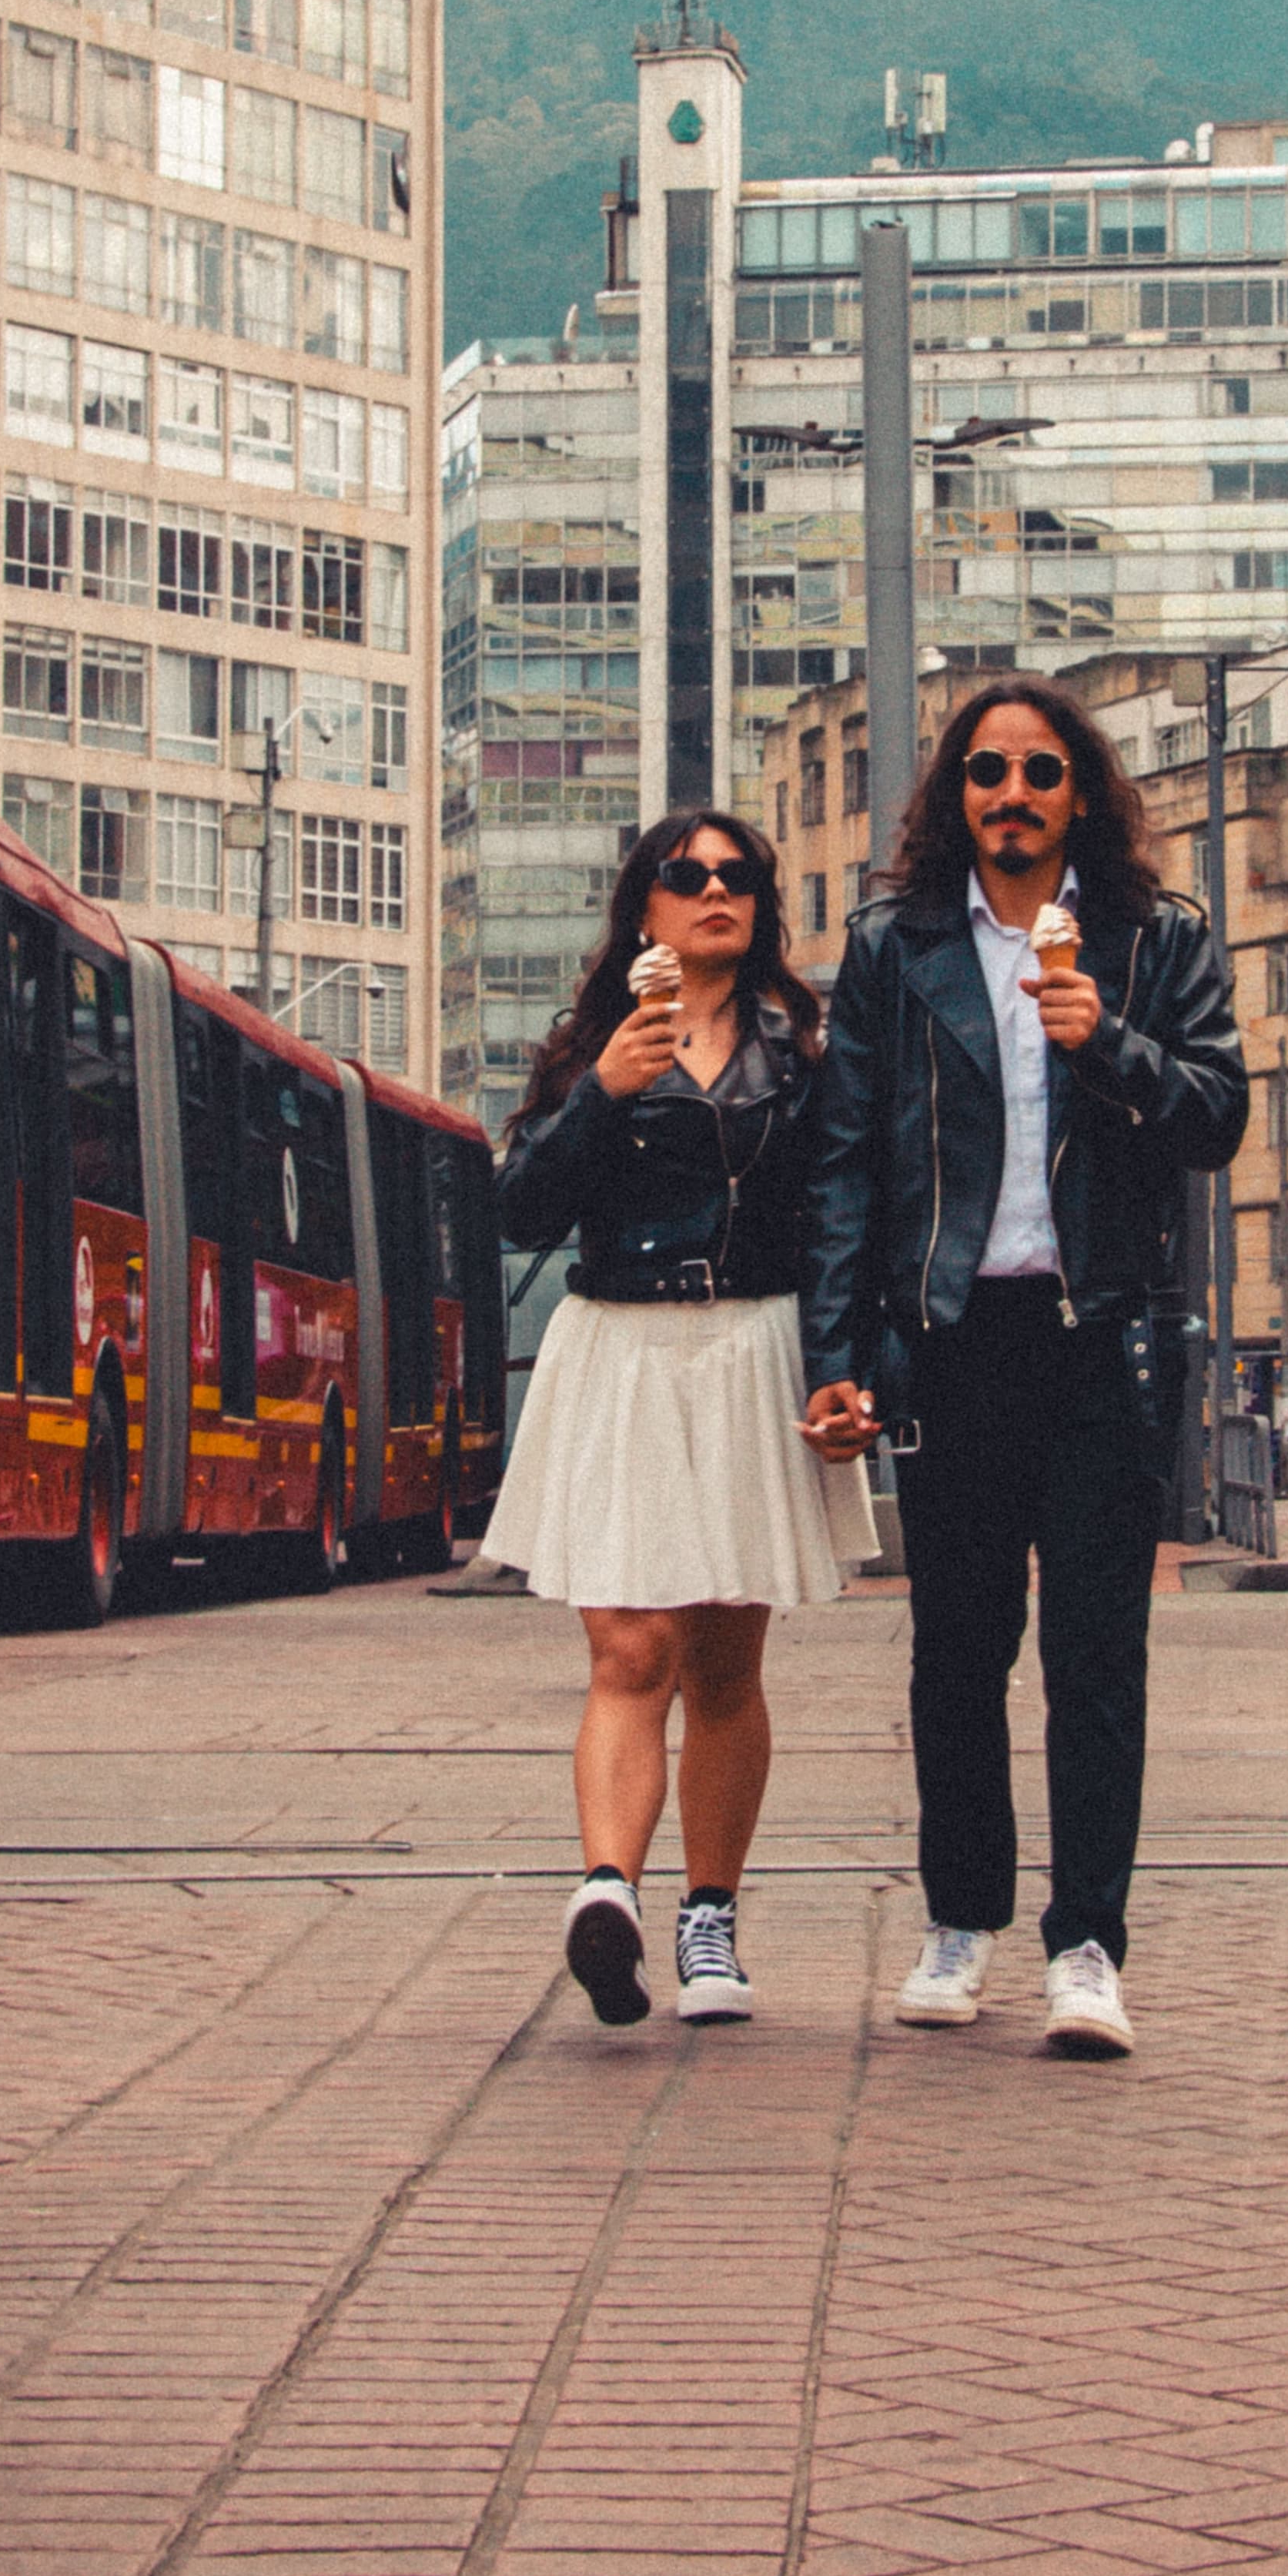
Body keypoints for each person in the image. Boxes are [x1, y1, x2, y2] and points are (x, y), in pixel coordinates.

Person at [801, 682, 1247, 2056]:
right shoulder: (897, 948)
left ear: (1080, 793)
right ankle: (959, 1923)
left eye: (1041, 772)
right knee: (957, 1653)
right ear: (957, 795)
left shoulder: (1157, 941)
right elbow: (847, 1161)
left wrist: (1103, 1038)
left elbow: (1219, 1115)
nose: (1013, 794)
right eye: (987, 771)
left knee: (1098, 1658)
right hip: (953, 1342)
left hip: (1101, 1338)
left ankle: (1088, 1949)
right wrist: (838, 1357)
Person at [486, 809, 872, 2030]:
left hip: (750, 1347)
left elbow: (835, 1230)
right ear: (643, 909)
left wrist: (841, 1371)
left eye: (739, 877)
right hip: (624, 1351)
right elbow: (519, 1208)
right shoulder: (592, 1048)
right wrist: (602, 1090)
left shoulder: (803, 1055)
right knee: (629, 1651)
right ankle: (611, 1893)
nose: (716, 891)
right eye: (687, 875)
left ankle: (712, 1916)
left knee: (723, 1665)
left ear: (759, 907)